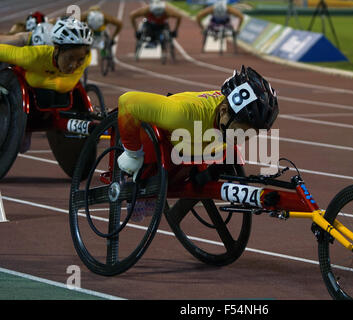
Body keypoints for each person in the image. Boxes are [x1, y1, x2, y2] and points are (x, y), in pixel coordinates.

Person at [116, 65, 278, 221]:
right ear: (223, 112)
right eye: (240, 131)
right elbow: (127, 101)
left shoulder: (229, 120)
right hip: (165, 142)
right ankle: (144, 174)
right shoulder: (182, 114)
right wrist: (133, 152)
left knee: (226, 160)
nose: (242, 138)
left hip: (195, 146)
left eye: (250, 134)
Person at [0, 17, 93, 152]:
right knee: (22, 147)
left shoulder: (86, 58)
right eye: (69, 59)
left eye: (80, 59)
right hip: (28, 40)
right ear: (56, 50)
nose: (74, 65)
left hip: (48, 41)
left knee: (23, 147)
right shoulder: (32, 56)